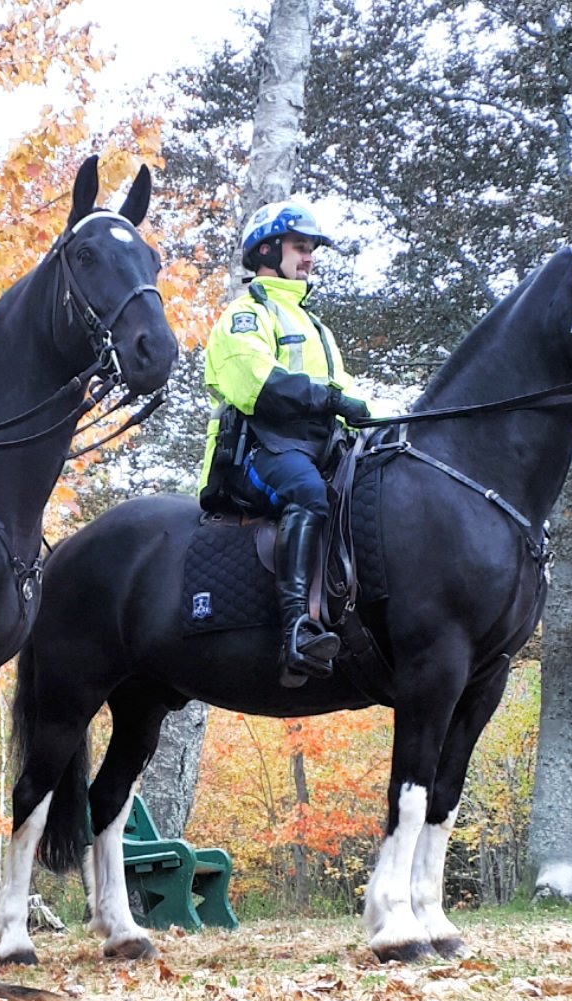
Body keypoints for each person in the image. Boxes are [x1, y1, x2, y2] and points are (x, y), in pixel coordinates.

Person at [198, 200, 371, 689]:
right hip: (261, 450)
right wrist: (331, 399)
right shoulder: (246, 315)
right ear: (268, 251)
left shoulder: (317, 327)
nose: (310, 256)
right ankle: (297, 629)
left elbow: (352, 394)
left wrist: (393, 424)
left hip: (320, 449)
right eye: (301, 246)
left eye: (312, 248)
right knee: (308, 496)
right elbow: (257, 383)